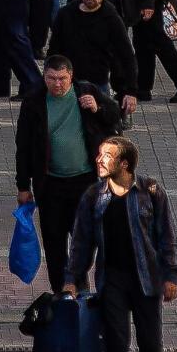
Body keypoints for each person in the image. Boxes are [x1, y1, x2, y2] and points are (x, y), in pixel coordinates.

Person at [65, 134, 177, 352]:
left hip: (147, 280)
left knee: (152, 346)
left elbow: (167, 235)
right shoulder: (94, 196)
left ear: (124, 163)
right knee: (116, 342)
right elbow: (81, 241)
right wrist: (72, 279)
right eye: (100, 153)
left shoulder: (151, 191)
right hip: (111, 279)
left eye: (107, 155)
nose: (99, 160)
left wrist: (171, 276)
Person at [14, 55, 109, 295]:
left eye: (62, 79)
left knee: (84, 238)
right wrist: (23, 185)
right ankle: (61, 291)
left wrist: (98, 108)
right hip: (50, 183)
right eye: (51, 78)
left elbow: (115, 118)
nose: (57, 84)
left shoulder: (86, 92)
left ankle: (79, 281)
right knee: (54, 240)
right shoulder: (34, 101)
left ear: (71, 76)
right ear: (44, 77)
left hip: (84, 181)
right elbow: (23, 146)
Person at [51, 0, 140, 124]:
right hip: (69, 85)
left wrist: (131, 91)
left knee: (103, 128)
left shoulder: (111, 18)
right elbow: (53, 52)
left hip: (99, 85)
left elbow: (126, 55)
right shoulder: (66, 15)